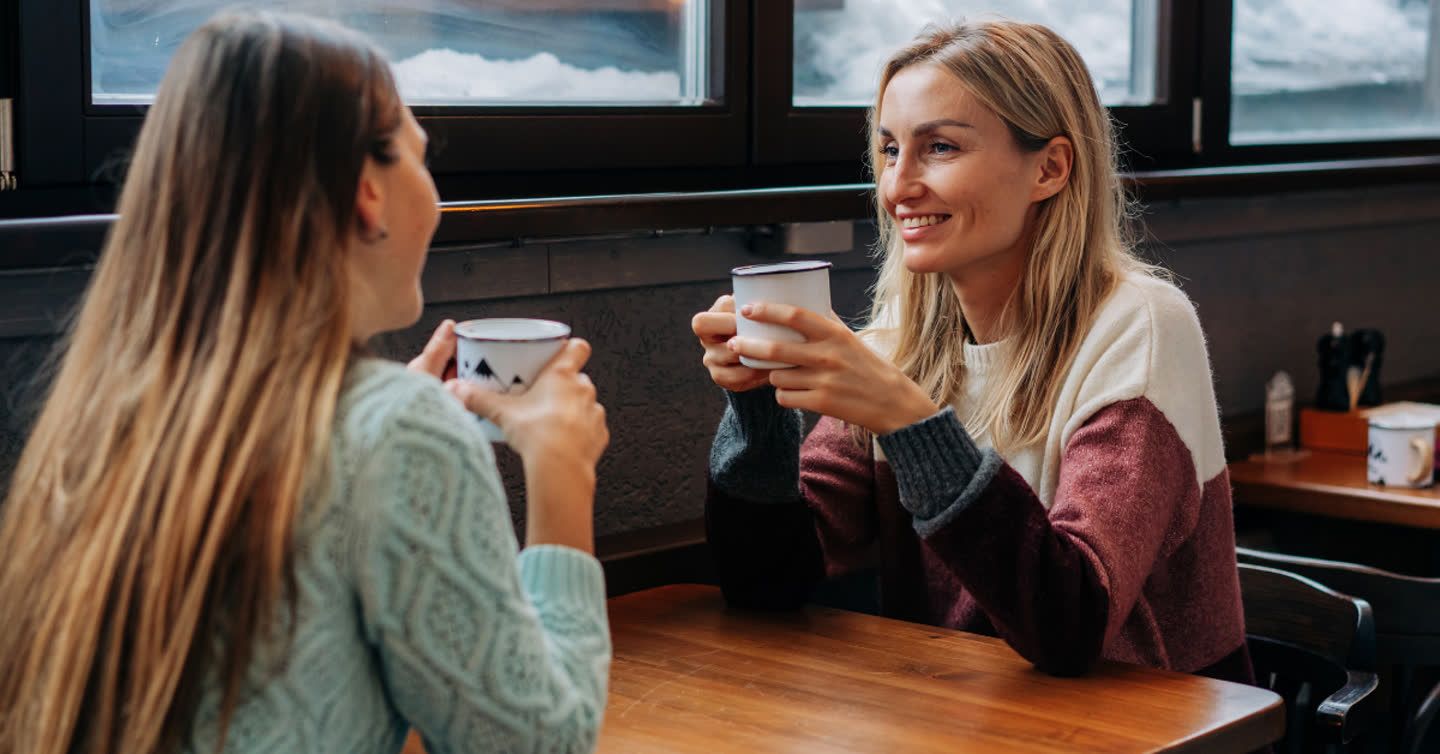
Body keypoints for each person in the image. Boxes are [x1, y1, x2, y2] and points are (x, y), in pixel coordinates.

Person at [0, 10, 610, 754]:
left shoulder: (97, 420)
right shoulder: (396, 431)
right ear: (367, 193)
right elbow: (542, 745)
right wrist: (561, 471)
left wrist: (388, 436)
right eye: (421, 156)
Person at [694, 19, 1251, 683]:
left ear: (1049, 168)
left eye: (941, 148)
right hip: (967, 722)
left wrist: (909, 423)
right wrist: (758, 413)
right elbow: (769, 582)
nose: (898, 187)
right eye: (890, 150)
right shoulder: (899, 340)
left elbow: (1072, 624)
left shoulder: (1141, 328)